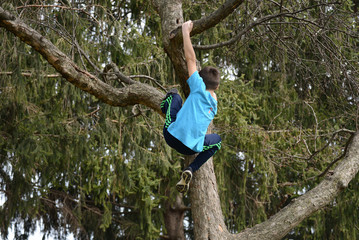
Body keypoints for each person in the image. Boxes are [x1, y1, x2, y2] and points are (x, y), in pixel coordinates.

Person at [160, 20, 222, 194]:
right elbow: (212, 88)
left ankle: (165, 109)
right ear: (217, 87)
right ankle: (191, 169)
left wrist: (186, 32)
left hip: (171, 136)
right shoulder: (214, 104)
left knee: (174, 95)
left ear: (200, 81)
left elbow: (190, 59)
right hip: (191, 148)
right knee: (216, 141)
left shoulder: (197, 86)